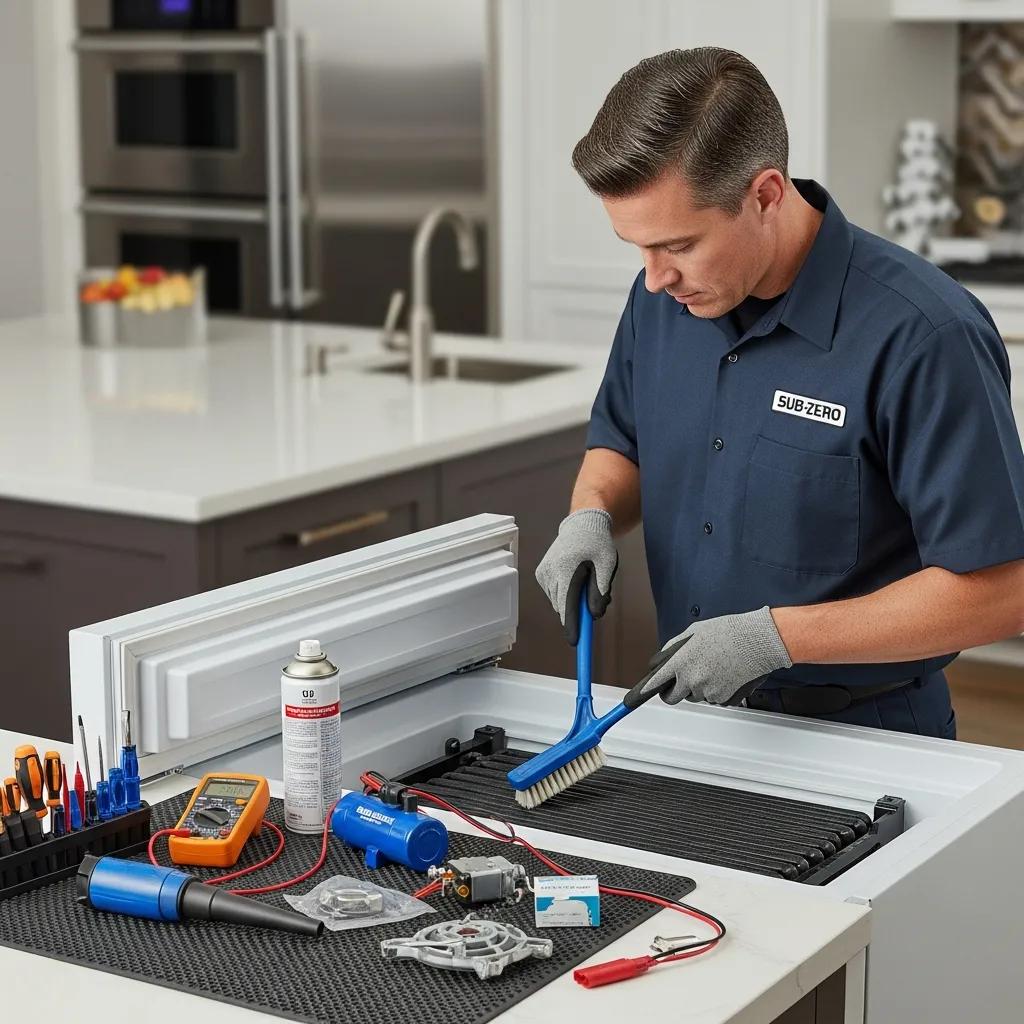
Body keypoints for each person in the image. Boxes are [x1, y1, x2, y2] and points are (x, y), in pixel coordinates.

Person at [536, 47, 1024, 739]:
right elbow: (624, 441)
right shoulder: (661, 302)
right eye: (636, 248)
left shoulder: (923, 334)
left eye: (678, 244)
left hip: (869, 736)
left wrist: (778, 638)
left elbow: (1004, 593)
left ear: (766, 193)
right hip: (698, 723)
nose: (654, 278)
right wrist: (590, 515)